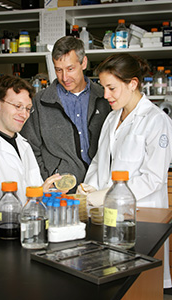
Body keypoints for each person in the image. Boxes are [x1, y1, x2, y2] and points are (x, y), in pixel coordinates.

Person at [79, 53, 172, 289]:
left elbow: (153, 178)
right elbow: (100, 161)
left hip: (144, 217)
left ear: (132, 83)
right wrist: (90, 188)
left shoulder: (156, 120)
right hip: (109, 215)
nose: (106, 95)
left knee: (141, 283)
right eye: (103, 88)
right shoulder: (112, 118)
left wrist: (107, 195)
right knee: (115, 280)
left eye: (112, 88)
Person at [21, 36, 111, 193]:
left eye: (70, 69)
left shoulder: (105, 98)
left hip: (99, 189)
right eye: (58, 70)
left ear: (83, 63)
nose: (64, 77)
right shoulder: (40, 101)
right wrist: (49, 177)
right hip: (60, 193)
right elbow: (29, 148)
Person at [0, 75, 63, 210]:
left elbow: (35, 188)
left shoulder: (23, 144)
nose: (24, 114)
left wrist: (49, 193)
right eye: (18, 106)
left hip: (28, 224)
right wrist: (32, 201)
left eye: (27, 108)